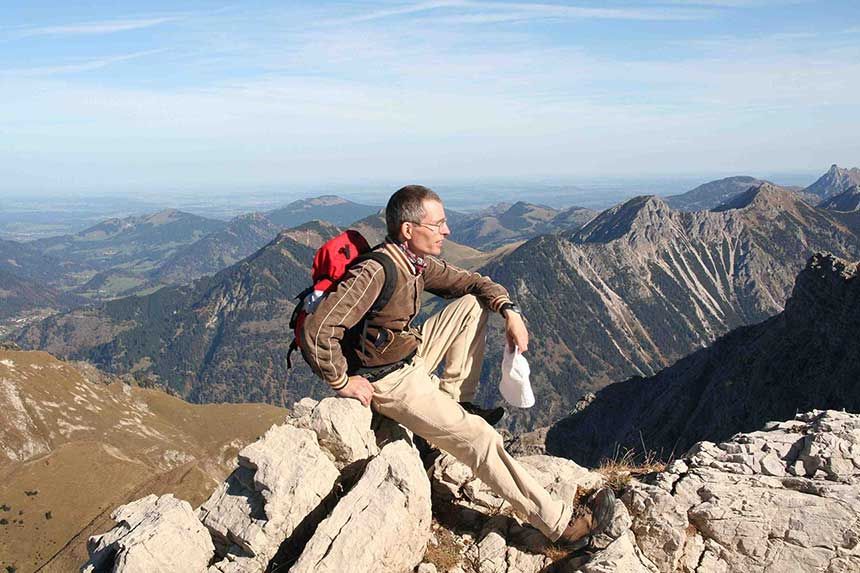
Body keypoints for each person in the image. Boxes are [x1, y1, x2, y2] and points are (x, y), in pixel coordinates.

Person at [300, 184, 614, 545]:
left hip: (409, 352)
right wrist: (341, 381)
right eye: (438, 224)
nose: (446, 231)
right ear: (408, 230)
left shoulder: (415, 264)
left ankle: (452, 407)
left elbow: (474, 283)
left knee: (471, 304)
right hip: (388, 379)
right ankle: (561, 525)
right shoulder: (377, 270)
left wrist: (509, 311)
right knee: (481, 438)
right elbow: (319, 329)